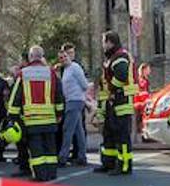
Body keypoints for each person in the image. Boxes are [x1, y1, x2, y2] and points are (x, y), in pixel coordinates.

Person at [7, 45, 64, 181]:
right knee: (50, 148)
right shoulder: (51, 73)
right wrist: (59, 113)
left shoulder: (23, 73)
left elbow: (16, 96)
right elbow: (59, 95)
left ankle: (40, 175)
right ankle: (51, 173)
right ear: (42, 56)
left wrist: (12, 116)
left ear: (31, 57)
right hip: (50, 118)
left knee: (36, 149)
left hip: (32, 119)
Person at [94, 30, 138, 176]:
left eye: (103, 42)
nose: (102, 45)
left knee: (122, 137)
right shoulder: (111, 58)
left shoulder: (120, 57)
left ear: (110, 42)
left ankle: (124, 165)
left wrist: (111, 90)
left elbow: (121, 76)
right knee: (109, 135)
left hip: (121, 103)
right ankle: (109, 163)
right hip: (113, 104)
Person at [57, 44, 90, 166]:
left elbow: (85, 85)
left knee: (68, 129)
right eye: (61, 58)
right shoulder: (66, 69)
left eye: (65, 56)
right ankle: (82, 156)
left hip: (74, 101)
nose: (63, 59)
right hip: (72, 101)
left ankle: (62, 157)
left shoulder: (75, 68)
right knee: (78, 130)